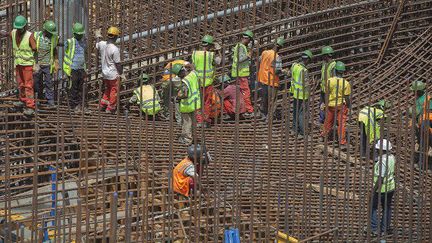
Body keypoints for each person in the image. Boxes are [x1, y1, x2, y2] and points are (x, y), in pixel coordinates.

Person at [0, 15, 37, 116]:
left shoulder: (30, 36)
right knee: (20, 84)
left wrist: (36, 63)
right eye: (18, 28)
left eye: (20, 28)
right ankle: (22, 100)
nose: (19, 30)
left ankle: (30, 106)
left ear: (25, 27)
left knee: (28, 85)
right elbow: (7, 34)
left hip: (28, 65)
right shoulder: (13, 33)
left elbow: (35, 49)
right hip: (18, 63)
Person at [191, 34, 221, 127]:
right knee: (206, 103)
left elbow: (193, 66)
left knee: (197, 102)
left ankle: (198, 120)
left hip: (196, 82)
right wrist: (218, 50)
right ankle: (205, 120)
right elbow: (219, 62)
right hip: (207, 83)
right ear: (210, 45)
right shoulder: (210, 55)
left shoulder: (195, 54)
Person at [320, 61, 351, 145]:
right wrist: (348, 105)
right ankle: (342, 141)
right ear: (343, 72)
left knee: (328, 121)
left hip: (331, 105)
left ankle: (323, 136)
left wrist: (324, 103)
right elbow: (347, 97)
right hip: (341, 105)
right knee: (341, 123)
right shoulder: (346, 83)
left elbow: (326, 93)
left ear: (335, 71)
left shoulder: (329, 81)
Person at [370, 139, 395, 236]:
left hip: (381, 189)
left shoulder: (382, 162)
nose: (376, 150)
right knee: (387, 208)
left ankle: (375, 228)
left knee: (373, 208)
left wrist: (373, 190)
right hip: (391, 187)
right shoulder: (392, 157)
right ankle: (385, 228)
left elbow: (380, 178)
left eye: (378, 149)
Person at [96, 26, 123, 114]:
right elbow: (117, 63)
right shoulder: (115, 49)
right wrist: (121, 73)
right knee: (114, 90)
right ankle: (111, 108)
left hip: (105, 73)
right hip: (113, 74)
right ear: (116, 37)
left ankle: (102, 104)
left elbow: (98, 44)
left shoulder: (103, 44)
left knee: (108, 88)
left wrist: (98, 37)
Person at [257, 37, 285, 121]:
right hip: (272, 82)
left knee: (264, 98)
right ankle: (269, 118)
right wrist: (284, 71)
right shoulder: (277, 57)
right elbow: (277, 71)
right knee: (272, 101)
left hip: (263, 80)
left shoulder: (264, 53)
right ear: (280, 47)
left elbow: (259, 61)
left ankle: (262, 114)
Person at [172, 63, 201, 145]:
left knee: (187, 123)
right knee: (193, 122)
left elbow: (185, 94)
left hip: (187, 105)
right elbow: (194, 68)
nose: (179, 76)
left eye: (178, 75)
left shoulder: (185, 81)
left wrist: (177, 98)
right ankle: (193, 137)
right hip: (195, 103)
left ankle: (187, 139)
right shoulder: (193, 74)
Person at [33, 20, 59, 108]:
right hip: (38, 64)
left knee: (49, 83)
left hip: (48, 64)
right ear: (45, 30)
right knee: (36, 83)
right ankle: (38, 99)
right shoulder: (36, 35)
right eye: (49, 32)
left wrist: (56, 62)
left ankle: (50, 101)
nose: (51, 34)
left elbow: (55, 49)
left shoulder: (54, 37)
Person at [64, 22, 88, 113]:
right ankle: (74, 106)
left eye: (81, 34)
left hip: (81, 68)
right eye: (78, 34)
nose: (79, 36)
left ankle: (83, 106)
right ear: (74, 34)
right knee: (73, 88)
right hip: (72, 68)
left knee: (83, 88)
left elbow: (85, 53)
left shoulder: (83, 42)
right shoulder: (70, 42)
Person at [231, 30, 254, 117]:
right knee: (246, 92)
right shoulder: (240, 47)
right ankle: (249, 110)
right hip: (241, 74)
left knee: (242, 92)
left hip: (239, 74)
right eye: (249, 40)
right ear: (247, 39)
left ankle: (243, 110)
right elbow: (240, 60)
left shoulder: (240, 47)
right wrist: (248, 56)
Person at [290, 50, 313, 136]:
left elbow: (291, 76)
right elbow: (306, 84)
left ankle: (294, 130)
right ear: (306, 60)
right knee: (302, 114)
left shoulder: (294, 65)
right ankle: (303, 132)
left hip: (295, 93)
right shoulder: (304, 70)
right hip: (302, 95)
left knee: (295, 112)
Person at [161, 60, 192, 124]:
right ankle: (179, 120)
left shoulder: (172, 64)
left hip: (166, 80)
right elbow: (188, 65)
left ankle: (168, 116)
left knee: (166, 98)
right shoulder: (182, 63)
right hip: (174, 79)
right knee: (177, 98)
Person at [410, 80, 432, 169]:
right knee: (423, 144)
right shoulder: (419, 97)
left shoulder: (428, 99)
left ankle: (423, 164)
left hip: (427, 123)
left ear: (418, 91)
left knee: (424, 144)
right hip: (423, 123)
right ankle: (422, 163)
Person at [319, 46, 336, 124]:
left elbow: (335, 79)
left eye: (323, 55)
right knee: (322, 106)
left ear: (326, 55)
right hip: (323, 89)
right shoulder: (324, 64)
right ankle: (322, 120)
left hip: (330, 91)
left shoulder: (333, 65)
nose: (322, 57)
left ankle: (329, 121)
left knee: (329, 107)